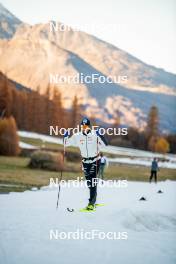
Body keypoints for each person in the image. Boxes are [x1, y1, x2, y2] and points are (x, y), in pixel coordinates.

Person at [64, 117, 108, 211]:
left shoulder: (94, 135)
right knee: (89, 182)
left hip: (95, 160)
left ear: (89, 126)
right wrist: (65, 137)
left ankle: (91, 204)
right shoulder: (77, 136)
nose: (84, 127)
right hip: (85, 161)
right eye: (83, 126)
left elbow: (105, 144)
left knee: (92, 181)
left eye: (86, 126)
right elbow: (66, 144)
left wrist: (100, 135)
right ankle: (94, 200)